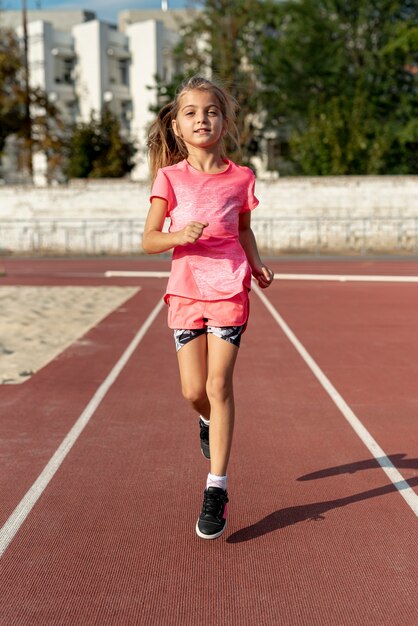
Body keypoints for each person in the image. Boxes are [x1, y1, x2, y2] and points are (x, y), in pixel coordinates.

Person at [142, 75, 274, 540]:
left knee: (220, 385)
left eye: (211, 111)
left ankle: (216, 487)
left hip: (230, 290)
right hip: (185, 291)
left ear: (224, 120)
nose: (202, 118)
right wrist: (179, 235)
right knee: (193, 391)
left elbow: (243, 229)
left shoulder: (241, 177)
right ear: (177, 126)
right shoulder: (169, 178)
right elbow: (148, 240)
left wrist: (256, 264)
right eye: (192, 112)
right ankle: (204, 421)